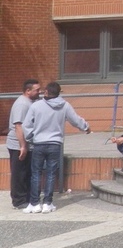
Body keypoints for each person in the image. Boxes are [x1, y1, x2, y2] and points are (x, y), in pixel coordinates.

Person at [21, 81, 90, 214]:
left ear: (46, 92)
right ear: (58, 93)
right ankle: (47, 203)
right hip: (55, 144)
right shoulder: (65, 105)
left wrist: (31, 138)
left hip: (39, 143)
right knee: (51, 174)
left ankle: (34, 203)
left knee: (36, 173)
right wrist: (86, 127)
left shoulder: (36, 106)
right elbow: (75, 120)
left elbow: (26, 125)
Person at [6, 79, 41, 210]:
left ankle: (26, 198)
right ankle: (19, 201)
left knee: (26, 172)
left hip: (27, 144)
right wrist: (23, 146)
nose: (39, 92)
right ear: (28, 91)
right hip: (18, 145)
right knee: (19, 174)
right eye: (37, 90)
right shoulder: (22, 104)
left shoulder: (31, 102)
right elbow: (18, 126)